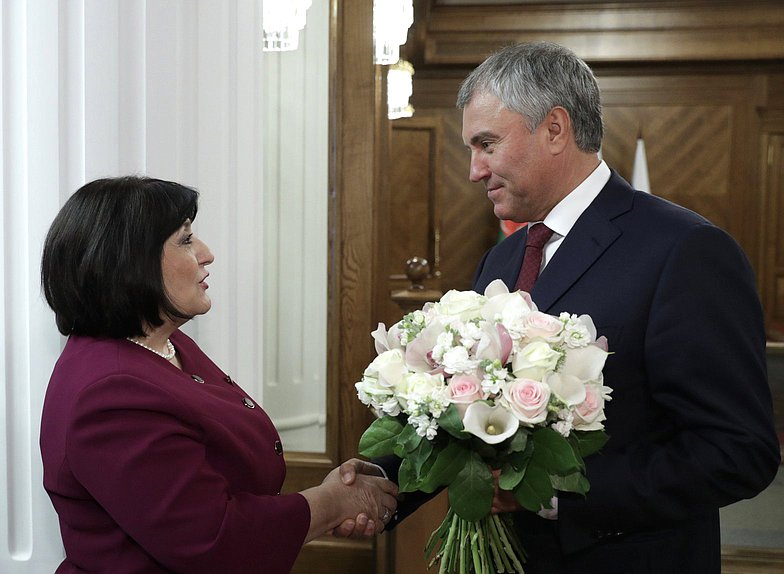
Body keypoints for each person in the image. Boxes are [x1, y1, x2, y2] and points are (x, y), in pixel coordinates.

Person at [343, 42, 781, 573]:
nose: (474, 170)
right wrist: (375, 484)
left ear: (555, 129)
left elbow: (738, 452)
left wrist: (553, 495)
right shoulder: (502, 260)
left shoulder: (684, 251)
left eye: (486, 144)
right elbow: (468, 415)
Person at [39, 176, 398, 574]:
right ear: (129, 260)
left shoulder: (166, 345)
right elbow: (212, 538)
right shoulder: (111, 394)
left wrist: (334, 495)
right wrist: (333, 503)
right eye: (186, 240)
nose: (207, 254)